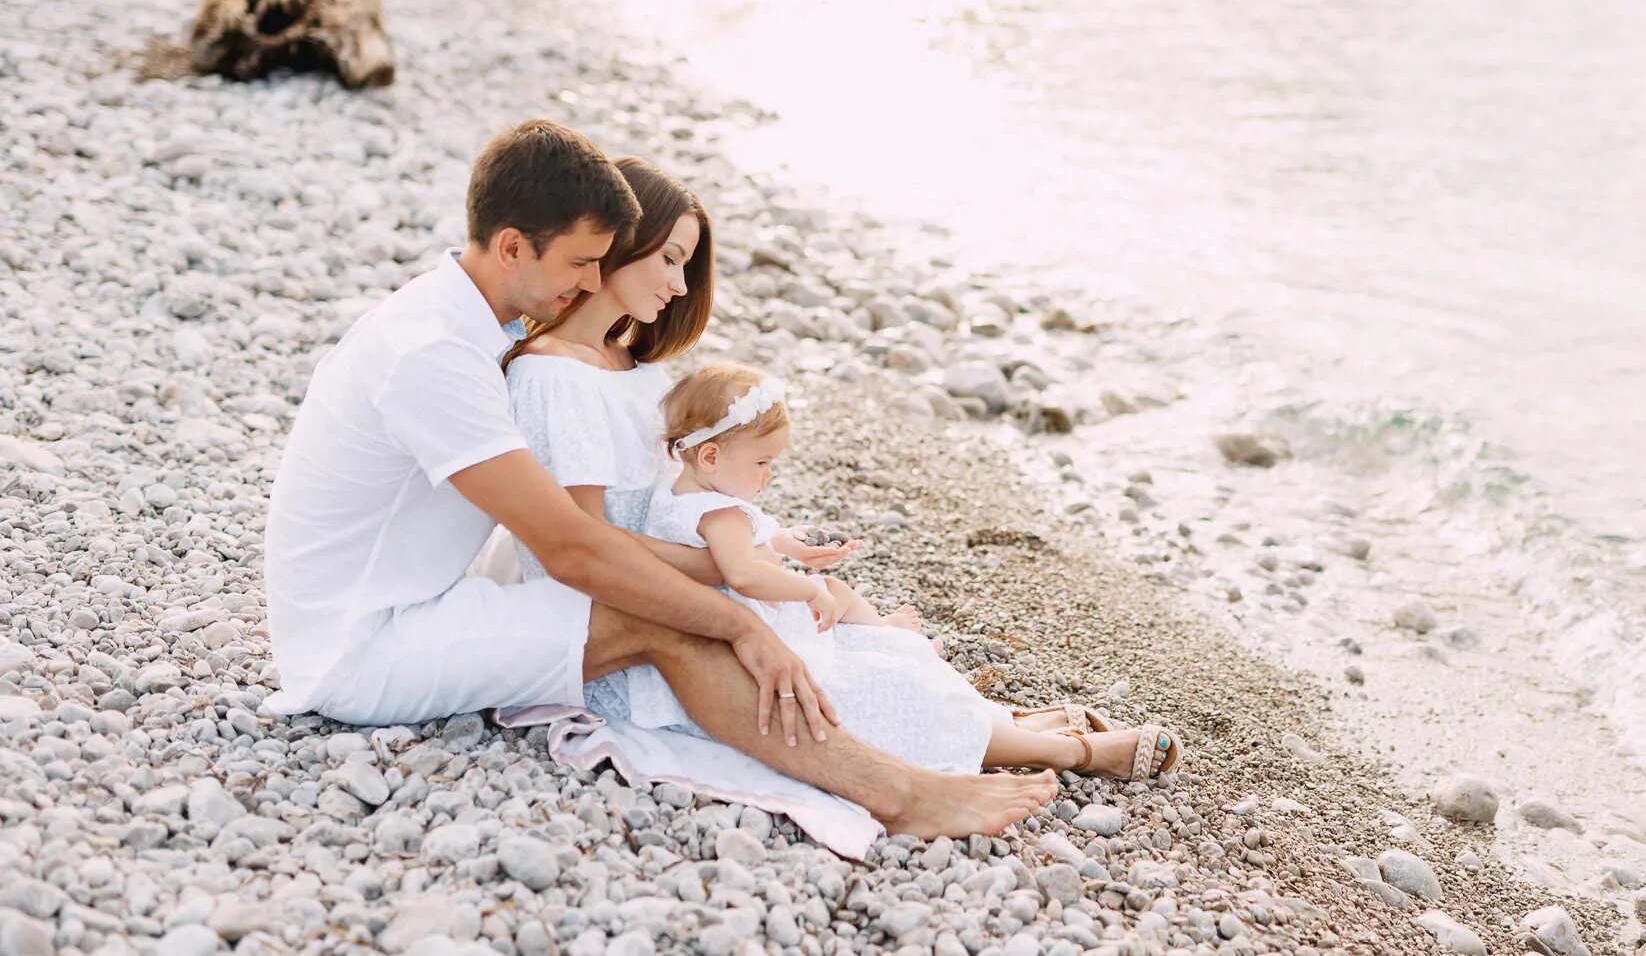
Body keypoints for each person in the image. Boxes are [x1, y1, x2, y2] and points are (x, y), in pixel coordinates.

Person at [261, 119, 1057, 838]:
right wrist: (736, 618)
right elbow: (573, 547)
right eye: (579, 262)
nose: (587, 283)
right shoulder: (432, 353)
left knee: (688, 603)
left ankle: (932, 730)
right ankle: (901, 792)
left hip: (417, 604)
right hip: (363, 646)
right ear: (512, 246)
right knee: (669, 619)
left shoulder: (461, 326)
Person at [515, 356, 1182, 780]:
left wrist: (797, 550)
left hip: (711, 628)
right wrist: (805, 582)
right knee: (884, 694)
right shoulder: (719, 514)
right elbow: (743, 573)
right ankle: (1072, 752)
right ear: (712, 457)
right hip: (728, 639)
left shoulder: (688, 495)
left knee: (881, 664)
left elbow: (749, 543)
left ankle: (1012, 721)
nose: (770, 475)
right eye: (763, 463)